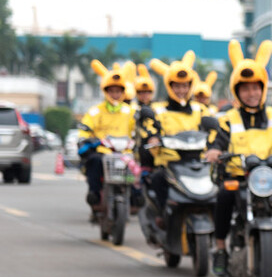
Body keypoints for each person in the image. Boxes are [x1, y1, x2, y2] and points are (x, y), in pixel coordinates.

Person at [204, 40, 272, 277]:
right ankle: (220, 248)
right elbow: (216, 140)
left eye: (256, 88)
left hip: (271, 178)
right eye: (245, 89)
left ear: (263, 89)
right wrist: (213, 151)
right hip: (238, 178)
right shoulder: (227, 118)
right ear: (237, 91)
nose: (252, 93)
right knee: (222, 197)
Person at [137, 52, 206, 214]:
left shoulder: (200, 109)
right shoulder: (157, 110)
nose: (181, 90)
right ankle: (163, 215)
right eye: (177, 86)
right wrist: (153, 137)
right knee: (157, 179)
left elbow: (213, 130)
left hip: (197, 163)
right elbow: (149, 129)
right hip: (168, 164)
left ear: (190, 86)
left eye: (185, 86)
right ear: (169, 86)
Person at [79, 61, 138, 213]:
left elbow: (138, 129)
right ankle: (95, 193)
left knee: (137, 166)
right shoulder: (96, 111)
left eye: (118, 91)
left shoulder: (130, 111)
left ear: (123, 92)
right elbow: (85, 128)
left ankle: (135, 197)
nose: (115, 94)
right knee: (94, 161)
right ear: (106, 91)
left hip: (125, 152)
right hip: (103, 151)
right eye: (112, 91)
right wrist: (84, 139)